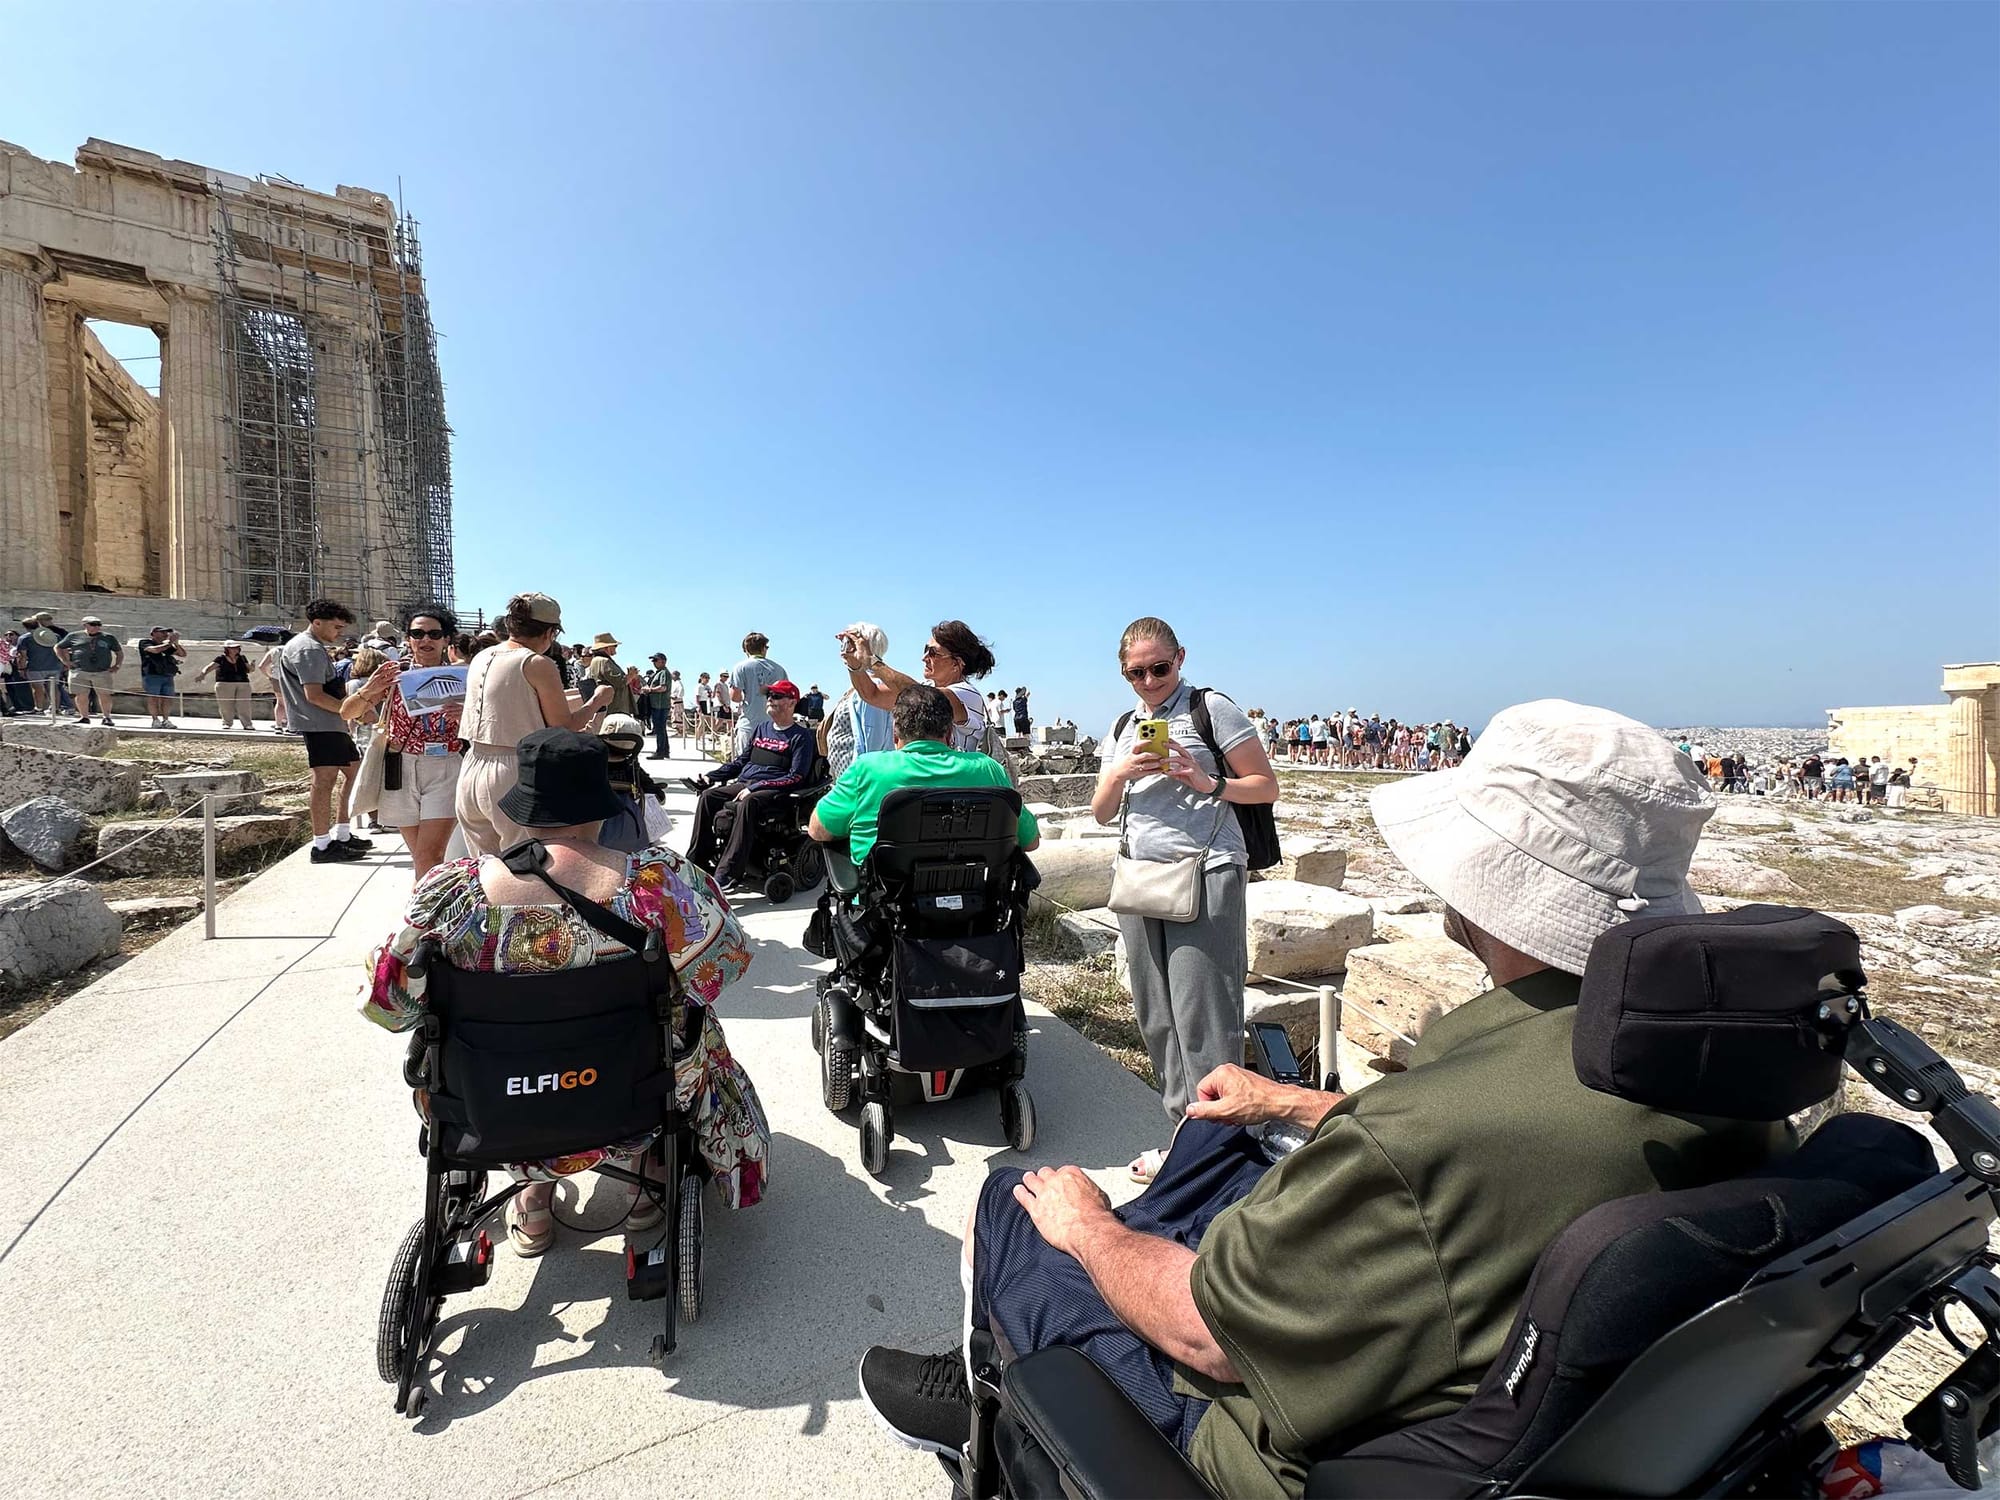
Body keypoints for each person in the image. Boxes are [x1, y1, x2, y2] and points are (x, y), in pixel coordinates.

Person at [858, 700, 1785, 1499]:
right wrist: (1295, 1105)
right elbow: (1497, 1159)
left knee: (1018, 1203)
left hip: (1245, 1438)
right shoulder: (1708, 1076)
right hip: (1499, 1371)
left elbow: (1210, 1336)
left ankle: (985, 1404)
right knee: (1213, 1145)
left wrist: (1088, 1228)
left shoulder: (1431, 1128)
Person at [362, 726, 769, 1255]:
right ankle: (647, 1168)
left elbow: (387, 1006)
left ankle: (533, 1193)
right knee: (695, 1028)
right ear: (603, 806)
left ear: (520, 809)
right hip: (630, 1094)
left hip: (491, 1099)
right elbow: (723, 970)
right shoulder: (661, 884)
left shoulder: (450, 892)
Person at [1090, 617, 1279, 1182]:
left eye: (1159, 668)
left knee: (1206, 1015)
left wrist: (1205, 781)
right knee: (1158, 1017)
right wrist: (1121, 772)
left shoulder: (1211, 709)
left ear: (1181, 658)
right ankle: (1183, 1137)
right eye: (1136, 672)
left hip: (1207, 871)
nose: (1149, 682)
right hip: (1142, 879)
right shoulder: (1126, 725)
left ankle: (1218, 1149)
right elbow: (1101, 812)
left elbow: (1265, 786)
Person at [810, 681, 1040, 869]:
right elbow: (1031, 841)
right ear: (950, 734)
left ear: (895, 734)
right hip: (977, 910)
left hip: (883, 914)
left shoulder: (867, 769)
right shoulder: (987, 768)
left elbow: (818, 829)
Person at [456, 592, 614, 858]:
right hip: (514, 770)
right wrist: (596, 702)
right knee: (524, 869)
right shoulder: (537, 663)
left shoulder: (482, 657)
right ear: (550, 632)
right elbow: (564, 727)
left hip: (472, 766)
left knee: (485, 871)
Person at [339, 607, 464, 880]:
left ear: (446, 639)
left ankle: (421, 920)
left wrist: (466, 714)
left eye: (434, 634)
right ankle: (427, 913)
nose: (425, 640)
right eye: (417, 633)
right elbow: (347, 712)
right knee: (421, 855)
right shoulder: (395, 674)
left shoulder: (463, 677)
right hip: (401, 765)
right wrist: (369, 690)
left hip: (445, 766)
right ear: (408, 639)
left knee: (429, 855)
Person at [686, 679, 817, 892]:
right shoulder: (762, 729)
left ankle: (727, 873)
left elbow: (796, 776)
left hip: (775, 791)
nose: (770, 700)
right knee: (708, 797)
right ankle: (697, 862)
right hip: (746, 783)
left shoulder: (800, 736)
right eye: (769, 696)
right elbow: (741, 762)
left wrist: (756, 787)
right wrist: (712, 776)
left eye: (777, 696)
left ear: (792, 702)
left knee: (748, 802)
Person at [269, 600, 373, 864]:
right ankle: (322, 844)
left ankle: (342, 832)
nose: (338, 632)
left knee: (353, 770)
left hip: (330, 724)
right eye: (336, 626)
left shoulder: (309, 647)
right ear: (317, 622)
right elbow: (314, 695)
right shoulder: (308, 649)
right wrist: (351, 711)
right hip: (320, 723)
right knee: (324, 781)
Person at [840, 619, 996, 754]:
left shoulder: (968, 695)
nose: (924, 658)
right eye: (925, 650)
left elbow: (928, 701)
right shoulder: (925, 689)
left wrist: (872, 661)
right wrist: (854, 663)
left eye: (933, 653)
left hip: (956, 785)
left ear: (957, 664)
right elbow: (872, 694)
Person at [820, 623, 898, 778]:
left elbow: (873, 744)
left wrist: (862, 782)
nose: (843, 647)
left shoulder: (872, 689)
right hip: (850, 779)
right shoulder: (861, 685)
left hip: (859, 782)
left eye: (849, 641)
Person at [728, 632, 788, 757]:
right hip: (774, 727)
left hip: (749, 725)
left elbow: (735, 697)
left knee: (745, 766)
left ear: (746, 650)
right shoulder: (779, 669)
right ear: (763, 648)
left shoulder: (740, 668)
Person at [56, 616, 122, 726]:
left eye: (98, 624)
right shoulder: (74, 636)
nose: (96, 627)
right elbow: (58, 647)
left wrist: (117, 665)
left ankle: (107, 717)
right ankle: (84, 717)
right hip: (79, 670)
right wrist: (65, 661)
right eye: (93, 624)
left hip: (101, 671)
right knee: (81, 694)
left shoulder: (108, 637)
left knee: (104, 694)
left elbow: (119, 652)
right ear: (85, 625)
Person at [194, 640, 257, 730]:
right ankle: (227, 723)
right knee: (226, 704)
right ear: (227, 649)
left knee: (244, 704)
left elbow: (250, 670)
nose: (235, 649)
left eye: (237, 648)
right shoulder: (221, 658)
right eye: (233, 648)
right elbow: (209, 667)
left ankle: (247, 724)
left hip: (243, 683)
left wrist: (252, 666)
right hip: (224, 683)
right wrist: (202, 675)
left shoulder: (242, 658)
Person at [135, 626, 187, 728]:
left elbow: (182, 654)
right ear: (153, 633)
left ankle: (166, 720)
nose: (165, 634)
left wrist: (176, 643)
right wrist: (169, 643)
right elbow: (155, 650)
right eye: (161, 632)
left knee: (167, 698)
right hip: (152, 674)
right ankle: (155, 720)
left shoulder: (167, 646)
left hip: (167, 674)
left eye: (166, 632)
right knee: (153, 698)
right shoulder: (145, 642)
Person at [16, 615, 64, 720]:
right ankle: (55, 708)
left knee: (37, 688)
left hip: (35, 666)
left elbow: (22, 655)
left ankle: (39, 708)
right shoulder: (55, 636)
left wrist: (21, 668)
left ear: (25, 627)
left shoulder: (24, 638)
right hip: (55, 665)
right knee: (54, 687)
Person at [640, 652, 673, 759]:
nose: (653, 663)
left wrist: (650, 690)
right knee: (661, 729)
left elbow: (663, 687)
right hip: (658, 704)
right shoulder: (659, 672)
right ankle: (665, 751)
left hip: (660, 705)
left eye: (655, 660)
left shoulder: (663, 673)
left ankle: (660, 752)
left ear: (663, 661)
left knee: (659, 729)